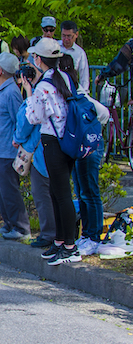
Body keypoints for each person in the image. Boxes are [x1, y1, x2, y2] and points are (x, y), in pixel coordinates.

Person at [21, 38, 82, 265]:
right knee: (59, 192)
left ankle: (69, 246)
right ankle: (60, 241)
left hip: (52, 142)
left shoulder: (43, 86)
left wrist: (29, 92)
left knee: (61, 194)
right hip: (67, 140)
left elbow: (34, 117)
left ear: (38, 59)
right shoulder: (64, 77)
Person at [60, 54, 109, 256]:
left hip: (91, 147)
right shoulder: (69, 94)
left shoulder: (80, 96)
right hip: (81, 149)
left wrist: (92, 133)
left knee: (90, 192)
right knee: (81, 192)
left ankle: (94, 236)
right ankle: (87, 235)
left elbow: (104, 113)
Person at [0, 53, 31, 240]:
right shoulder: (3, 90)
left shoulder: (11, 92)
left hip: (7, 151)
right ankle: (8, 224)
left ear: (0, 70)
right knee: (2, 190)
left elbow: (19, 119)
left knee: (10, 190)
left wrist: (17, 142)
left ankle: (21, 228)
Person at [14, 62, 57, 248]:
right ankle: (60, 234)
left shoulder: (36, 93)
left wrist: (17, 138)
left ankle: (48, 234)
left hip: (39, 151)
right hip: (57, 149)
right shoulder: (56, 85)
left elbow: (27, 123)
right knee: (57, 194)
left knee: (42, 195)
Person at [60, 20, 90, 92]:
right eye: (64, 36)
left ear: (76, 35)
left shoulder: (80, 53)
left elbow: (84, 76)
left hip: (71, 89)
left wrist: (84, 92)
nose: (66, 39)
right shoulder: (54, 46)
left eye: (69, 36)